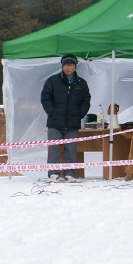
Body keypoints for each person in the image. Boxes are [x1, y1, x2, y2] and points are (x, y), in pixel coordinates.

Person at [40, 54, 91, 182]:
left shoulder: (81, 83)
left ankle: (70, 173)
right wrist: (52, 112)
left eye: (71, 65)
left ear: (75, 67)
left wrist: (80, 114)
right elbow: (45, 99)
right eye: (66, 65)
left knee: (71, 149)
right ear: (62, 66)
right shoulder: (52, 81)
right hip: (54, 123)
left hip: (73, 123)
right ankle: (54, 173)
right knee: (54, 149)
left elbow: (86, 101)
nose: (69, 68)